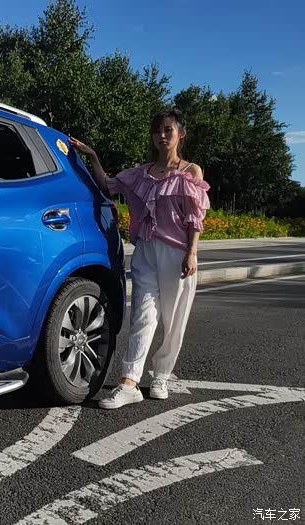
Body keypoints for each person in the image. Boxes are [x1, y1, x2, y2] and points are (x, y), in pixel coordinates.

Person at [68, 107, 210, 409]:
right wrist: (92, 156)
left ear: (181, 135)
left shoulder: (190, 172)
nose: (162, 136)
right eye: (157, 131)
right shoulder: (139, 174)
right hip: (145, 251)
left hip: (178, 254)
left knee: (174, 320)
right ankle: (129, 382)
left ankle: (161, 375)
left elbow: (195, 219)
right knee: (142, 315)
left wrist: (191, 253)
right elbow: (107, 184)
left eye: (168, 130)